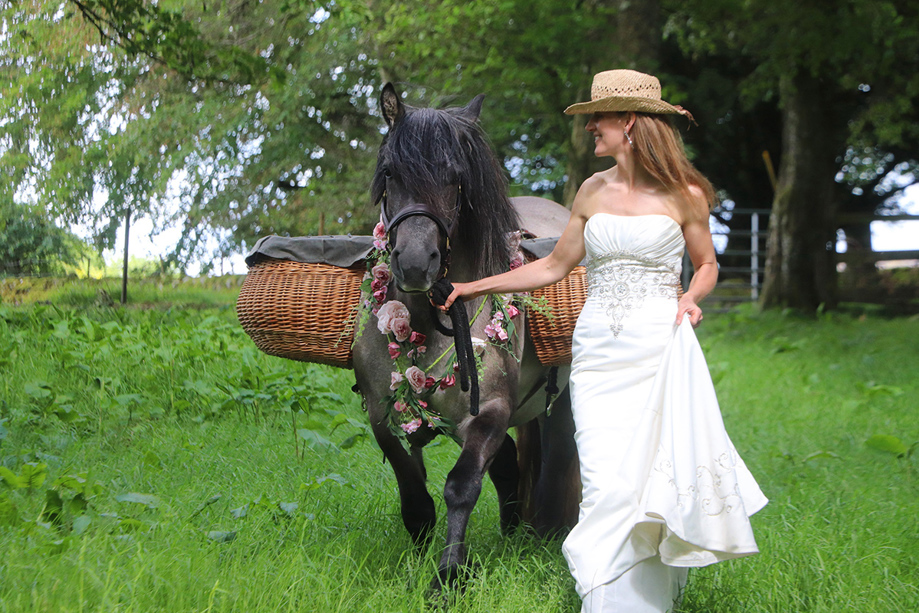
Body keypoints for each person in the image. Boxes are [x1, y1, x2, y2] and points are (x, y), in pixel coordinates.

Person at [442, 69, 768, 612]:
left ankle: (645, 598)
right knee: (603, 482)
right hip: (596, 355)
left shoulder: (687, 194)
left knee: (646, 480)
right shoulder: (592, 189)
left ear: (631, 123)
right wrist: (472, 286)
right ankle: (607, 596)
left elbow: (707, 265)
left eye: (600, 117)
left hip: (656, 352)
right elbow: (553, 265)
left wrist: (692, 298)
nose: (591, 126)